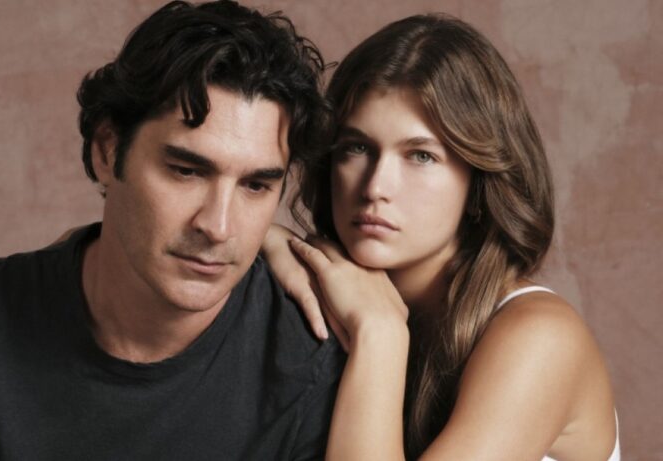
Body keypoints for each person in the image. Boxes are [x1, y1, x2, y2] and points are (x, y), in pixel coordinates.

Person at [0, 1, 346, 459]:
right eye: (186, 171)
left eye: (255, 185)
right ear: (107, 152)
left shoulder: (310, 362)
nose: (218, 226)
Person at [262, 14, 620, 460]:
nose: (376, 187)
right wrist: (266, 240)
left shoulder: (541, 338)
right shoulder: (334, 290)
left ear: (479, 182)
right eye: (357, 147)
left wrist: (380, 335)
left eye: (421, 156)